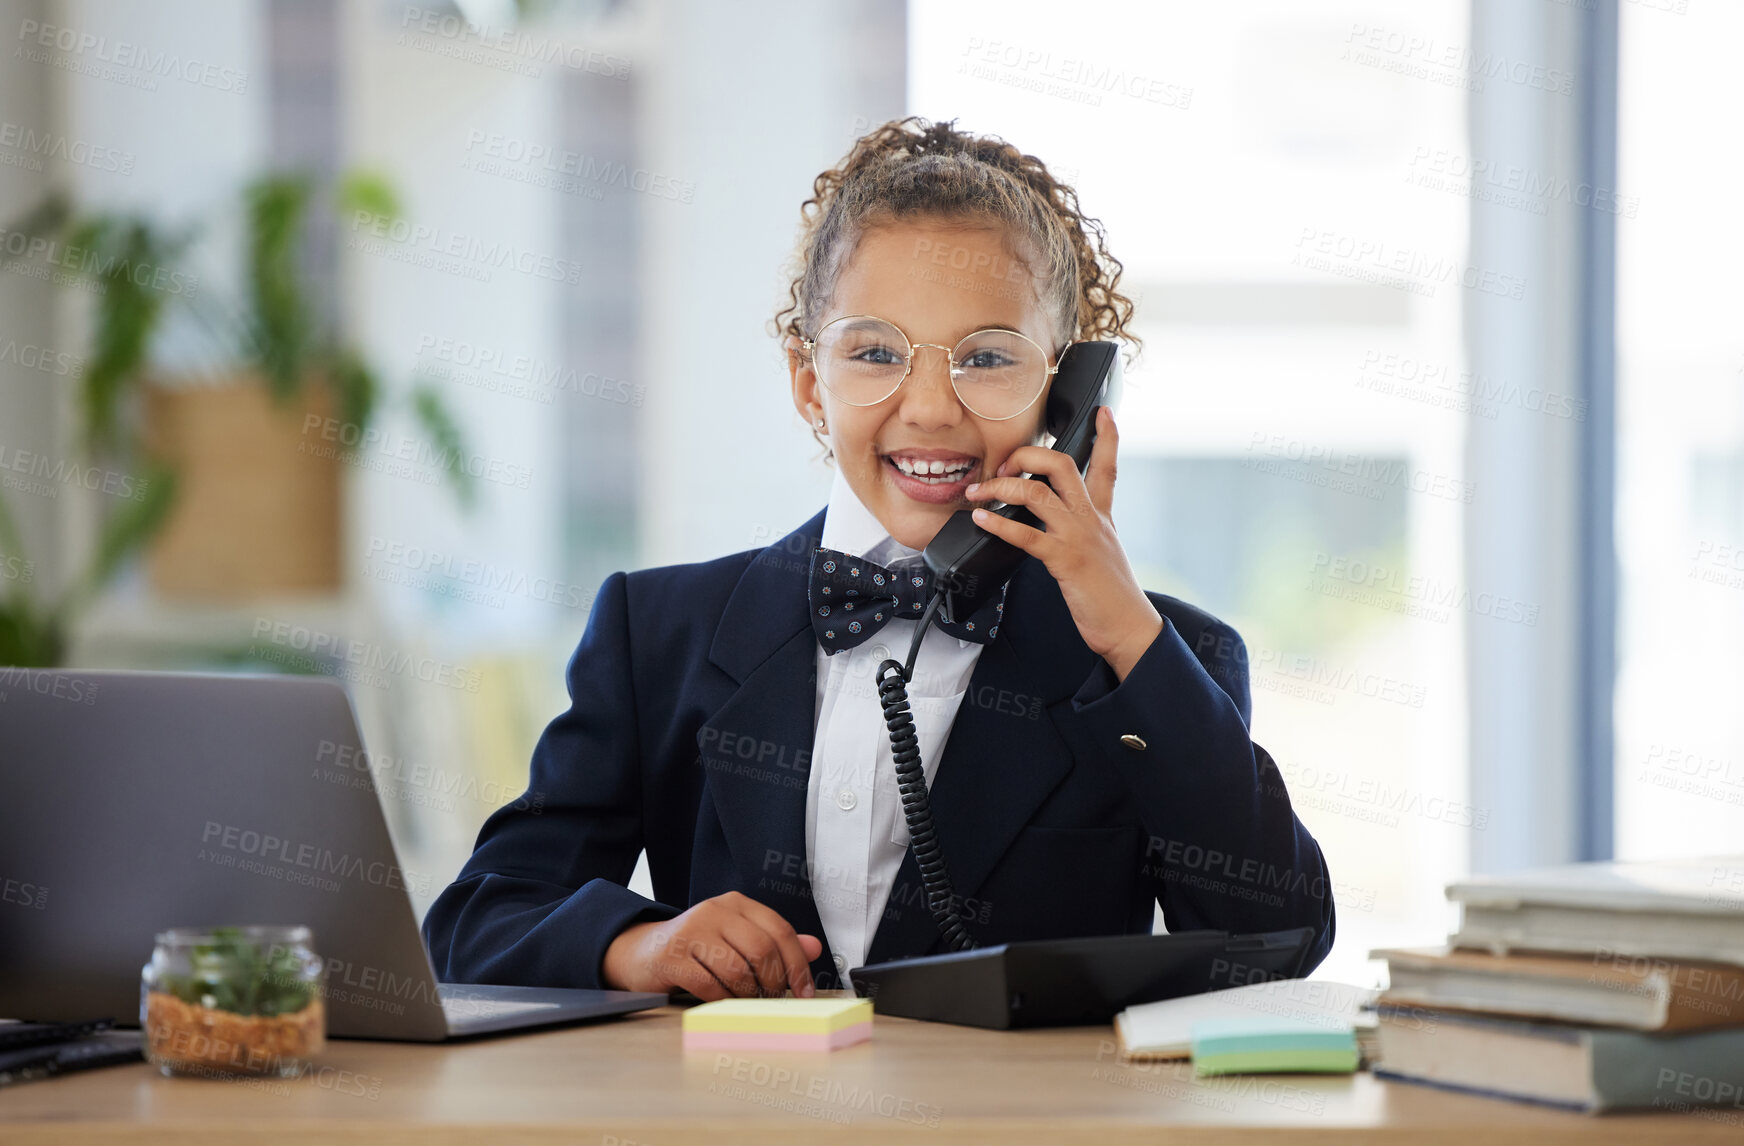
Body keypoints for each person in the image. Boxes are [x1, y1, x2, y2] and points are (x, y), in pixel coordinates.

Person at [422, 117, 1335, 1000]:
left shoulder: (1159, 657)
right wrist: (639, 944)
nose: (932, 409)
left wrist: (1126, 636)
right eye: (875, 352)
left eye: (987, 358)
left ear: (1069, 395)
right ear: (807, 383)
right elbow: (476, 921)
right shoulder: (656, 633)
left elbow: (1275, 940)